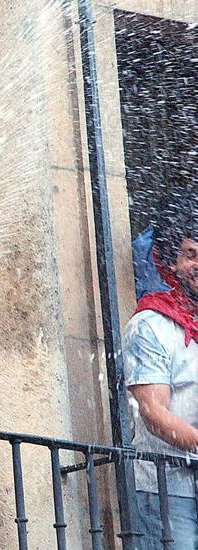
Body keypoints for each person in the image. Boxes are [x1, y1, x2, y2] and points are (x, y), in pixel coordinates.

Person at [124, 210, 198, 550]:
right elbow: (152, 412)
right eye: (190, 254)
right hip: (168, 487)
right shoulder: (150, 324)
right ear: (171, 262)